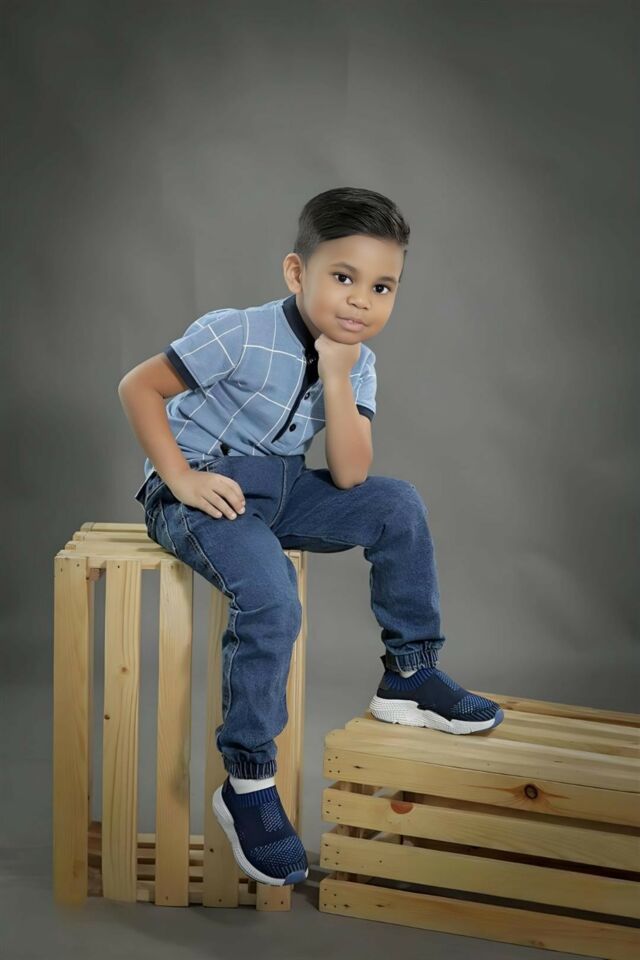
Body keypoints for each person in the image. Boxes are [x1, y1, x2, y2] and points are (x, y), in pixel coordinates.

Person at [118, 186, 504, 888]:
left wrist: (336, 374)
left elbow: (352, 475)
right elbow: (138, 387)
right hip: (201, 493)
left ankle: (409, 673)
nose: (361, 300)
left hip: (283, 488)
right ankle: (248, 780)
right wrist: (179, 478)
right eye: (344, 277)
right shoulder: (238, 332)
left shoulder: (359, 362)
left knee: (397, 504)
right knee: (272, 598)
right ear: (297, 272)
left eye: (382, 287)